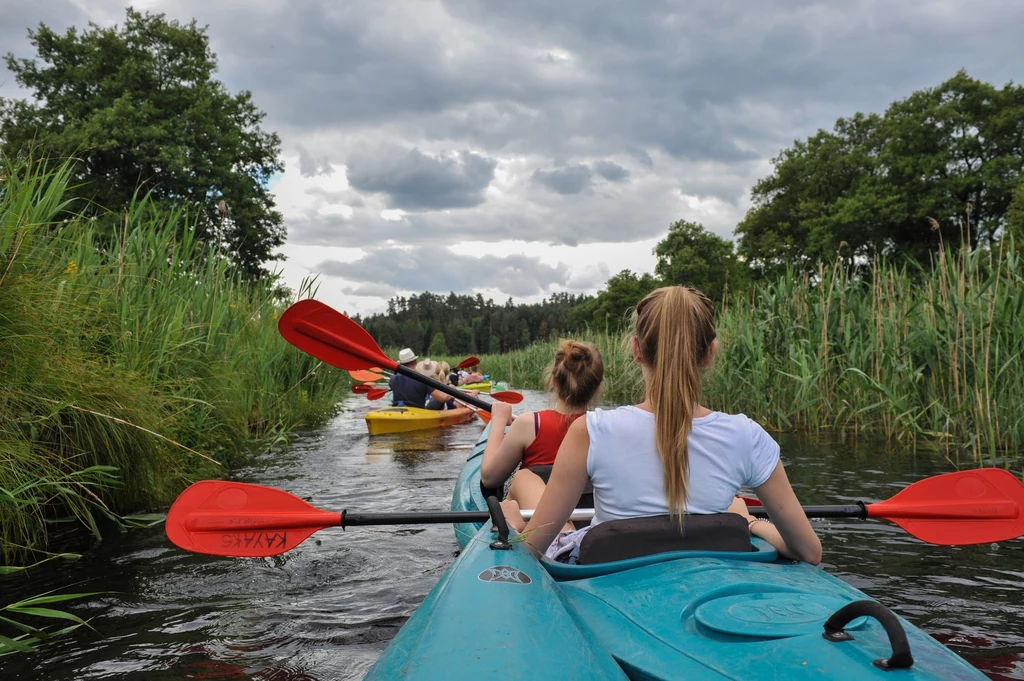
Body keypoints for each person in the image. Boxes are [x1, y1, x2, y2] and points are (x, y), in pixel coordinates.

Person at [500, 286, 822, 565]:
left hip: (612, 592)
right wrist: (747, 522)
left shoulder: (590, 431)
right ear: (710, 354)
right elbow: (808, 550)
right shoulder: (747, 436)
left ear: (636, 350)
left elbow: (530, 552)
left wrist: (514, 526)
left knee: (527, 486)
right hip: (701, 589)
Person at [481, 340, 603, 518]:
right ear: (598, 387)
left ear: (554, 381)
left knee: (520, 480)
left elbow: (490, 478)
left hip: (537, 524)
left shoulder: (529, 424)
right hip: (588, 520)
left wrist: (498, 421)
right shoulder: (606, 427)